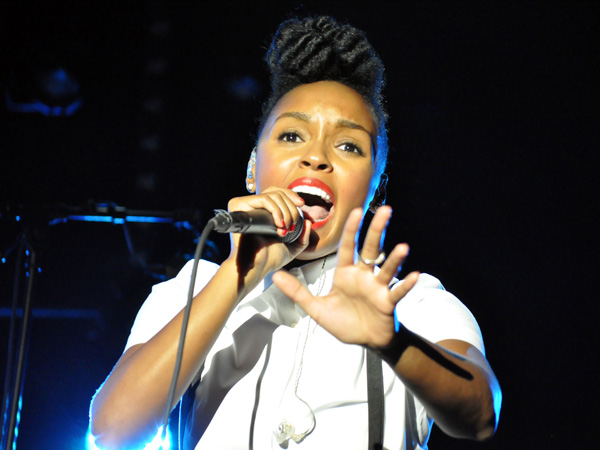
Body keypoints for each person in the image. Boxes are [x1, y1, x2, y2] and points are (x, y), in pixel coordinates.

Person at [89, 16, 501, 450]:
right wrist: (237, 276)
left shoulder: (412, 302)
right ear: (252, 169)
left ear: (375, 188)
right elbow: (113, 432)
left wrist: (392, 342)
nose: (316, 157)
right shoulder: (189, 292)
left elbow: (480, 415)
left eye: (349, 146)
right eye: (291, 136)